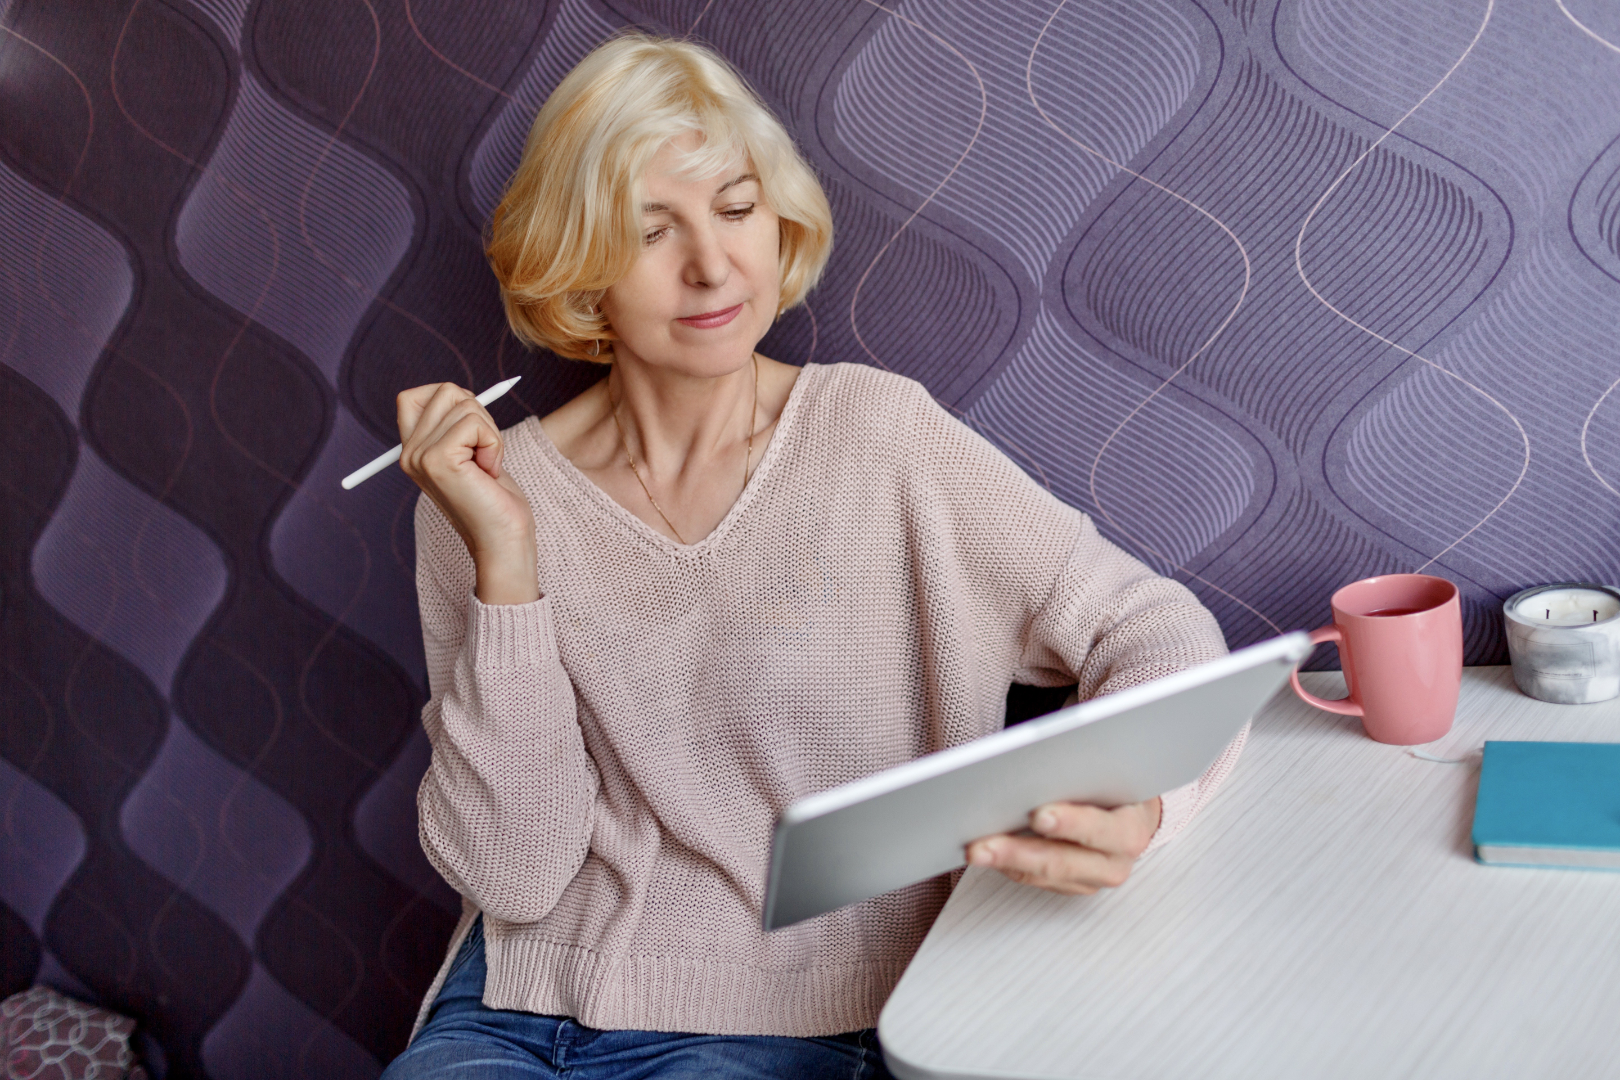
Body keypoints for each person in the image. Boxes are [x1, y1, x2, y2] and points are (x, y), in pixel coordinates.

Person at [381, 32, 1234, 1080]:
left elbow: (1148, 623)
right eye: (653, 231)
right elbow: (514, 874)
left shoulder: (878, 436)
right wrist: (507, 562)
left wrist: (1142, 804)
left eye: (736, 209)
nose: (712, 264)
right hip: (512, 1011)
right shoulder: (476, 499)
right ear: (581, 268)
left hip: (794, 1022)